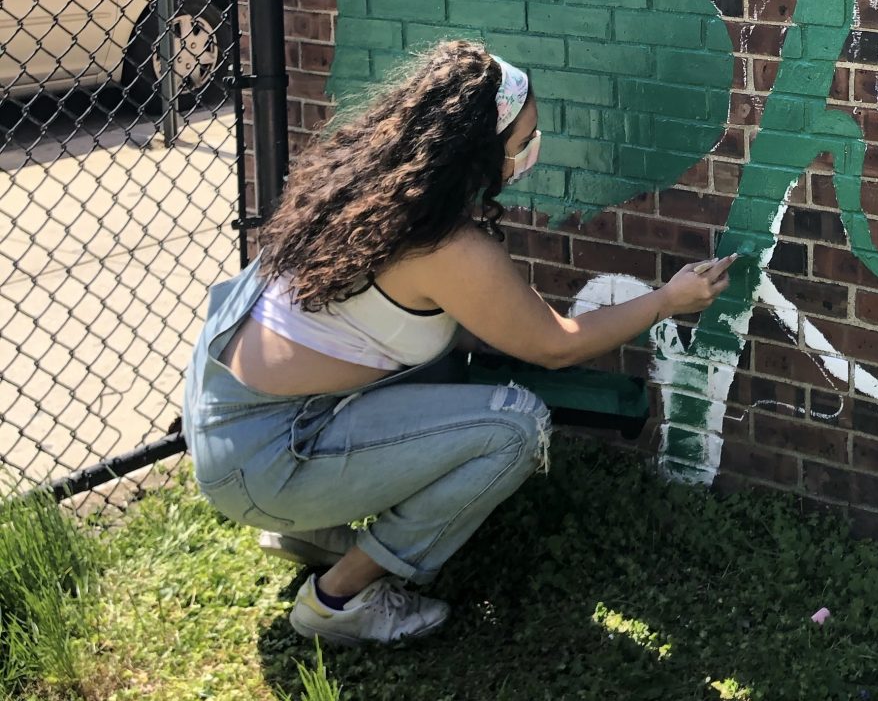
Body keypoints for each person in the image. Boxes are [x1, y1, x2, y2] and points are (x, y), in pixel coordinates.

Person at [180, 40, 735, 646]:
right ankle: (340, 598)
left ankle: (309, 530)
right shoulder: (444, 247)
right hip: (267, 458)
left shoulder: (364, 184)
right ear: (478, 148)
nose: (531, 149)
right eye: (524, 137)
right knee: (514, 426)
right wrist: (664, 300)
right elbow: (554, 345)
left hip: (227, 422)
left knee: (430, 364)